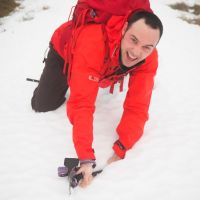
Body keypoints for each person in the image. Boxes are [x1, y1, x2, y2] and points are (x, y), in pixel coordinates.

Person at [31, 4, 163, 188]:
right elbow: (81, 104)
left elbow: (138, 106)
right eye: (133, 39)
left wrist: (123, 145)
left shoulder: (149, 57)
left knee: (94, 75)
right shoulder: (94, 40)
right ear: (124, 28)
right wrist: (85, 157)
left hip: (101, 65)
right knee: (42, 104)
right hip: (67, 51)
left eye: (147, 47)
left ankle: (84, 76)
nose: (137, 52)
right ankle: (62, 78)